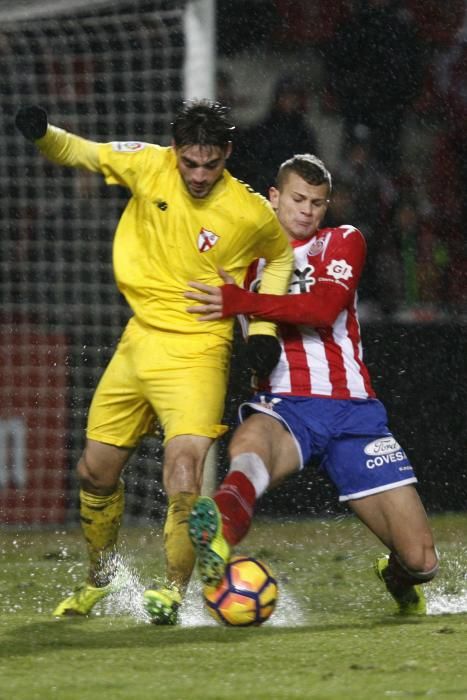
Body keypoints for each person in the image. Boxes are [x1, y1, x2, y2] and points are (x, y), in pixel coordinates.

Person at [15, 100, 294, 624]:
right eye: (191, 163)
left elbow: (279, 256)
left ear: (227, 155)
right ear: (176, 152)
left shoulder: (250, 210)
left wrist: (262, 327)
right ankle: (102, 576)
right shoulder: (147, 164)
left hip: (199, 350)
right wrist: (42, 133)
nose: (199, 175)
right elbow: (84, 152)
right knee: (94, 473)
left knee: (184, 468)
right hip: (139, 340)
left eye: (211, 164)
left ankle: (173, 591)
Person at [184, 153, 439, 615]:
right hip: (284, 407)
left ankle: (397, 576)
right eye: (299, 199)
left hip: (353, 413)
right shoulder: (240, 259)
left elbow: (322, 310)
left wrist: (242, 301)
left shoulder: (342, 242)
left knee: (421, 560)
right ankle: (217, 536)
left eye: (318, 203)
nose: (308, 210)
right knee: (250, 448)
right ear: (274, 198)